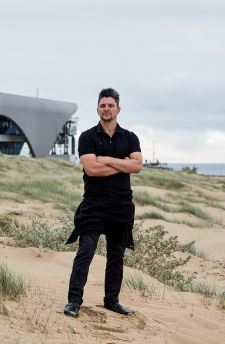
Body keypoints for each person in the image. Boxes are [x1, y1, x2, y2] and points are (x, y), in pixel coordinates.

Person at [63, 88, 142, 318]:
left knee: (116, 255)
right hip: (94, 204)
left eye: (110, 105)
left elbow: (137, 166)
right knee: (85, 252)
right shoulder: (87, 137)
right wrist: (121, 162)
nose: (106, 109)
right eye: (102, 105)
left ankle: (112, 300)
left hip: (121, 205)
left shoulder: (130, 137)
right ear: (97, 109)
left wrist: (106, 159)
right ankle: (74, 301)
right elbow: (92, 169)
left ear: (118, 109)